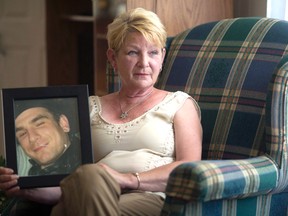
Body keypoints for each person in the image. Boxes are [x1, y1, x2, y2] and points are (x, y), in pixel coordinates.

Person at [0, 7, 202, 216]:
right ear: (113, 58)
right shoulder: (87, 107)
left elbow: (190, 171)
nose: (144, 62)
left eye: (152, 52)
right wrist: (24, 187)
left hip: (148, 198)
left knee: (77, 195)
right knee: (84, 180)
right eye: (133, 52)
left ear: (162, 57)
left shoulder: (178, 104)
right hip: (84, 197)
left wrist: (127, 179)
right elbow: (67, 186)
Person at [14, 99, 81, 176]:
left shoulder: (91, 165)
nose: (32, 138)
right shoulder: (21, 177)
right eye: (22, 134)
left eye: (39, 124)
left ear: (63, 124)